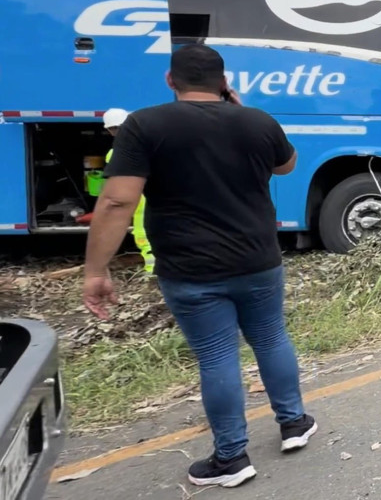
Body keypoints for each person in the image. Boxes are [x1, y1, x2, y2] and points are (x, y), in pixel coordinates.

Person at [82, 45, 315, 488]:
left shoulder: (145, 125)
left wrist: (96, 270)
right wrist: (244, 113)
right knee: (270, 338)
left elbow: (116, 200)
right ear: (224, 83)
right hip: (258, 259)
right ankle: (294, 424)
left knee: (217, 355)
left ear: (171, 81)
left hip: (191, 269)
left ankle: (231, 457)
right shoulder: (257, 121)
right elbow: (287, 165)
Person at [102, 108, 154, 275]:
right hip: (156, 196)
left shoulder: (115, 154)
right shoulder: (150, 143)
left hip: (139, 200)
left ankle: (153, 273)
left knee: (144, 236)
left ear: (110, 130)